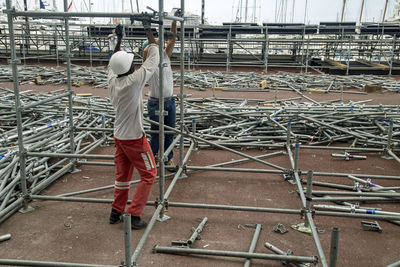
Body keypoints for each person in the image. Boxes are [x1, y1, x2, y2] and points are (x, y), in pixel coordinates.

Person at [107, 21, 159, 230]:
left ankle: (116, 210)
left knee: (123, 176)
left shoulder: (113, 79)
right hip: (134, 139)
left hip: (119, 136)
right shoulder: (134, 81)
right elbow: (153, 58)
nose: (136, 64)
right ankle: (133, 214)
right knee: (150, 174)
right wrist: (150, 33)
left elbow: (114, 60)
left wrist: (118, 41)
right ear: (130, 67)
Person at [143, 11, 180, 168]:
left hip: (169, 101)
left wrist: (173, 22)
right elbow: (149, 47)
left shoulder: (165, 56)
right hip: (155, 102)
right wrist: (152, 34)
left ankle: (167, 157)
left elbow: (172, 39)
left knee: (170, 132)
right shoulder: (148, 62)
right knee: (157, 135)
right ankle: (151, 160)